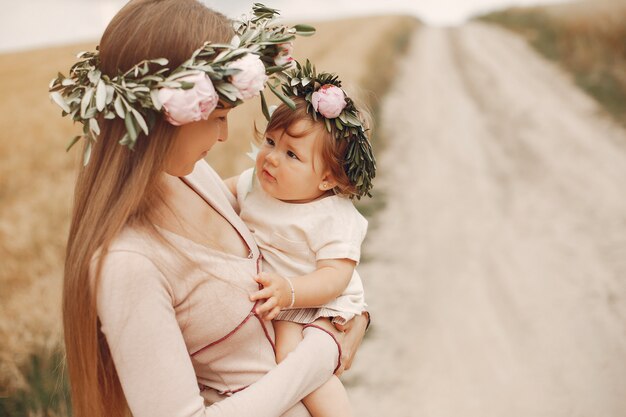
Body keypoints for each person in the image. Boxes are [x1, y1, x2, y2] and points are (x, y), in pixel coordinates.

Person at [55, 1, 369, 417]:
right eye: (218, 115)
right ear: (166, 116)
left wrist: (356, 317)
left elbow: (298, 248)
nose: (224, 136)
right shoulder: (128, 264)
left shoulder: (193, 176)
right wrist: (320, 353)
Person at [224, 66, 376, 417]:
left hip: (317, 301)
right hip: (283, 299)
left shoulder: (332, 217)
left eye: (292, 155)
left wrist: (289, 291)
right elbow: (210, 196)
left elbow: (335, 276)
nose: (272, 158)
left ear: (326, 179)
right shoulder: (253, 184)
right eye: (270, 142)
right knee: (285, 363)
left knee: (294, 360)